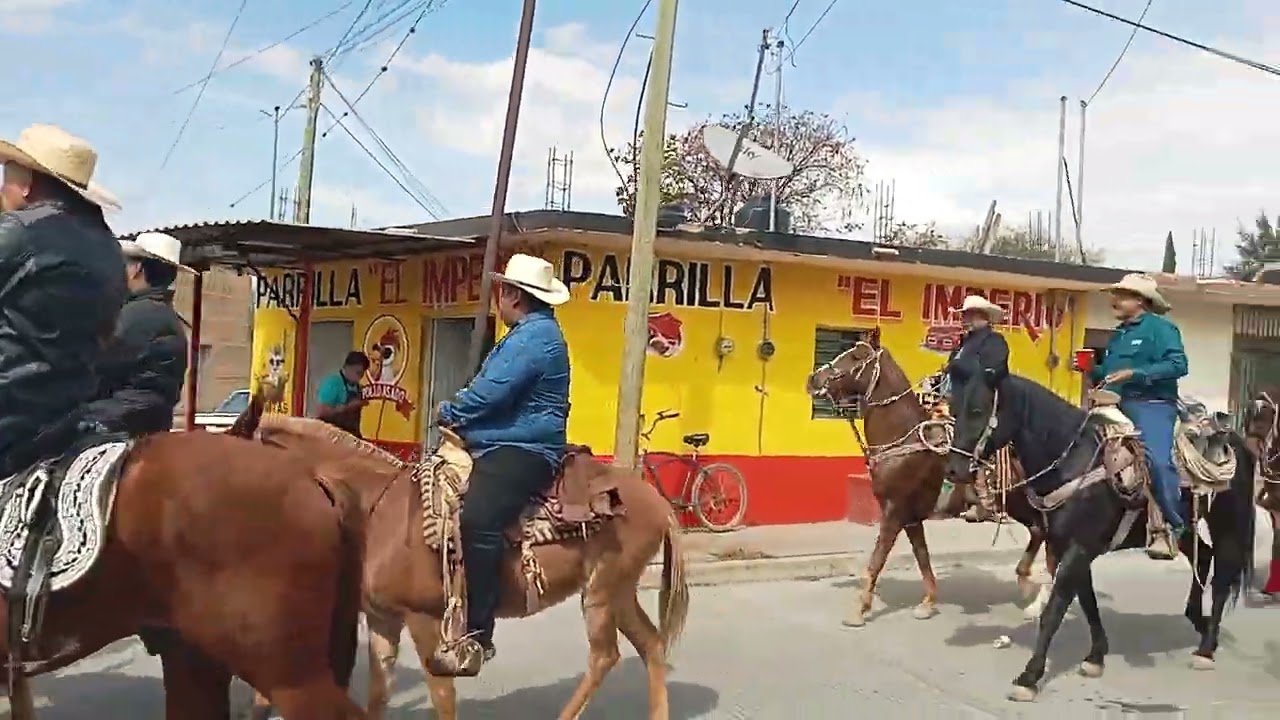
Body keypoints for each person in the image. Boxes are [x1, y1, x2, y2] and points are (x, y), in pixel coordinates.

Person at [434, 253, 571, 674]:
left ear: (513, 295)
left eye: (502, 292)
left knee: (477, 517)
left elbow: (491, 393)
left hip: (525, 449)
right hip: (499, 441)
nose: (498, 299)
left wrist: (449, 410)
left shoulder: (534, 338)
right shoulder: (527, 333)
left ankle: (478, 635)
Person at [0, 124, 126, 477]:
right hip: (71, 414)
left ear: (26, 184)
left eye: (6, 178)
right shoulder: (109, 248)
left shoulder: (18, 231)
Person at [1089, 273, 1188, 560]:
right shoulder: (1119, 333)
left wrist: (1138, 373)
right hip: (1113, 405)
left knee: (1156, 460)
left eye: (1122, 295)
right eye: (1115, 295)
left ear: (1140, 301)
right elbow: (1109, 374)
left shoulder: (1162, 329)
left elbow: (1178, 364)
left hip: (1152, 404)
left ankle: (1172, 523)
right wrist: (1091, 369)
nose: (1115, 301)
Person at [82, 233, 194, 435]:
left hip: (114, 421)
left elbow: (89, 365)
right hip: (143, 420)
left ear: (136, 269)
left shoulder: (134, 317)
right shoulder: (162, 315)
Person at [944, 295, 1010, 522]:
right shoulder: (964, 343)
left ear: (982, 317)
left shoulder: (994, 341)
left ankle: (986, 503)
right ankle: (962, 499)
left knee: (978, 452)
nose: (964, 319)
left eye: (968, 314)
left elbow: (991, 371)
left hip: (981, 409)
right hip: (961, 407)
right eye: (964, 315)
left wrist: (957, 364)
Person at [314, 351, 370, 437]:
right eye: (357, 373)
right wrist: (349, 407)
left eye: (362, 374)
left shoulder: (358, 388)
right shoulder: (333, 383)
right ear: (347, 367)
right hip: (330, 435)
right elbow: (321, 412)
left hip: (351, 435)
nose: (359, 378)